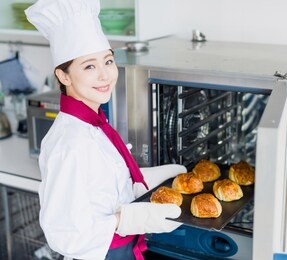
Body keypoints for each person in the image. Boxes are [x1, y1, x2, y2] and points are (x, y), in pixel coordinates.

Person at [25, 1, 185, 259]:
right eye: (89, 66)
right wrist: (123, 219)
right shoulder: (69, 143)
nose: (105, 75)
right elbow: (64, 235)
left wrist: (141, 181)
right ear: (64, 76)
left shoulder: (94, 123)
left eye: (108, 61)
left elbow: (98, 185)